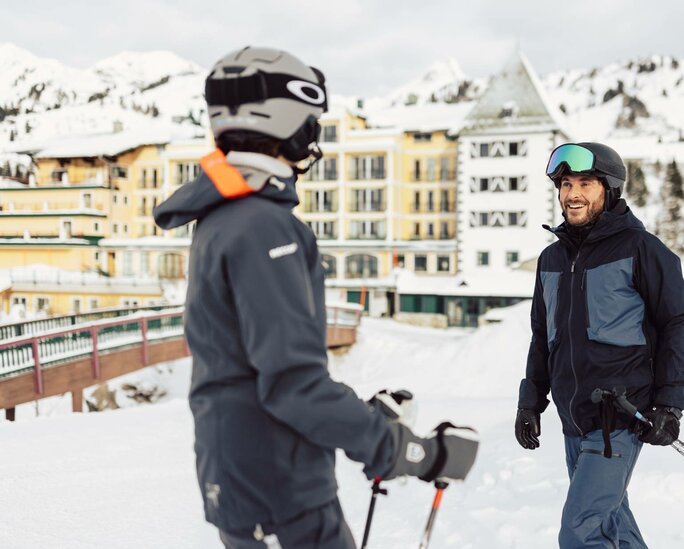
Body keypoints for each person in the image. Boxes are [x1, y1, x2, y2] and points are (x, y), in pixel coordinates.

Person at [154, 46, 478, 549]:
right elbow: (292, 386)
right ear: (288, 117)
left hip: (245, 479)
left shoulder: (222, 218)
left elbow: (249, 365)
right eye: (312, 117)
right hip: (281, 494)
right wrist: (413, 452)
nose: (314, 131)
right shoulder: (265, 227)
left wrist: (363, 417)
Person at [514, 142, 684, 548]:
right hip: (573, 419)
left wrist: (669, 404)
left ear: (609, 189)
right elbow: (542, 337)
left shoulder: (641, 250)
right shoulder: (551, 260)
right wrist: (530, 401)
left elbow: (680, 323)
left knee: (581, 531)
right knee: (613, 523)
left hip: (618, 418)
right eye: (565, 184)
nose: (572, 194)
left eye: (585, 183)